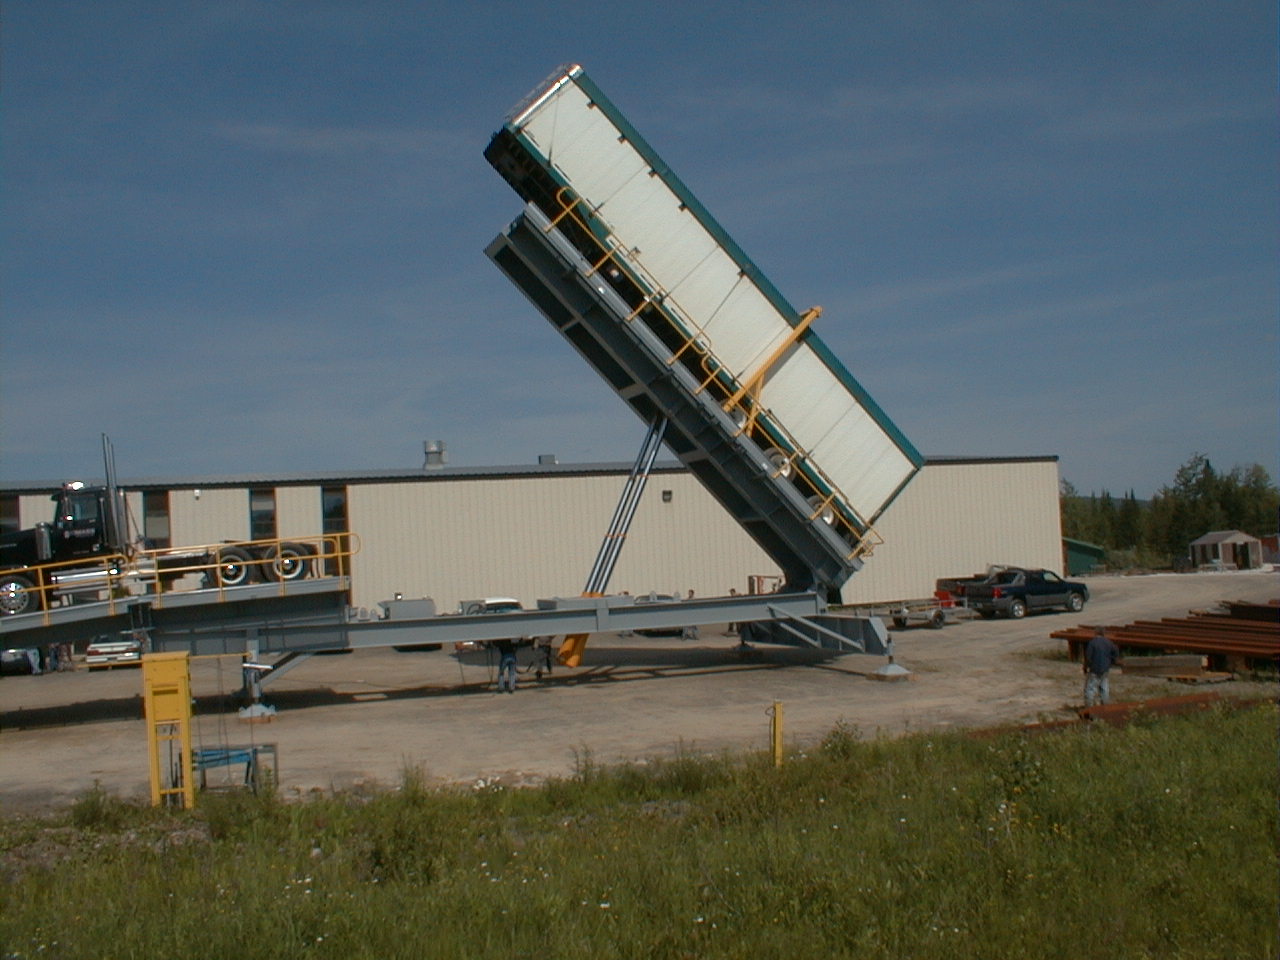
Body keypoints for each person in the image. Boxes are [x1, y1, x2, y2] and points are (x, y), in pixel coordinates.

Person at [1082, 628, 1119, 707]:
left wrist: (1085, 667)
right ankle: (1105, 706)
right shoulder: (1109, 642)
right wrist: (1111, 661)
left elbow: (1088, 657)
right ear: (1103, 633)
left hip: (1094, 669)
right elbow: (1116, 651)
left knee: (1090, 688)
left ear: (1095, 633)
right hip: (1105, 669)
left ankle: (1089, 706)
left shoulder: (1092, 643)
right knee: (1104, 688)